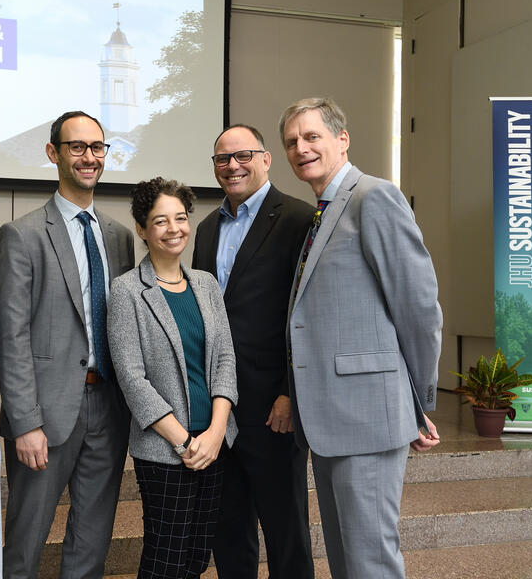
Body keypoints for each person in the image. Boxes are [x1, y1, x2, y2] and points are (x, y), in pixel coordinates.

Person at [279, 97, 442, 579]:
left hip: (369, 414)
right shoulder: (323, 211)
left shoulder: (374, 197)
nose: (301, 148)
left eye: (312, 136)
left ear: (341, 139)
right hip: (332, 420)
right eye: (292, 141)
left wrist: (419, 401)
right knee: (347, 560)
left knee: (371, 561)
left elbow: (418, 307)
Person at [0, 111, 135, 579]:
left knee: (91, 543)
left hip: (108, 409)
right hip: (46, 415)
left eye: (97, 147)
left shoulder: (117, 237)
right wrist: (25, 421)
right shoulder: (22, 234)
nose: (89, 157)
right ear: (53, 153)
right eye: (77, 147)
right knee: (25, 543)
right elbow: (11, 338)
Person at [192, 124, 316, 578]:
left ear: (266, 159)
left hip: (272, 408)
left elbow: (305, 315)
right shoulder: (205, 228)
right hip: (217, 411)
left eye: (242, 155)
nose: (232, 166)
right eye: (222, 159)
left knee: (286, 534)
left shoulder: (299, 219)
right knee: (229, 531)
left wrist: (290, 392)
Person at [108, 177, 238, 579]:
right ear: (143, 230)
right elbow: (132, 378)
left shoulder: (206, 284)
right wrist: (183, 441)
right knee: (167, 558)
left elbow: (225, 361)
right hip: (166, 450)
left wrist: (216, 432)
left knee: (199, 555)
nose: (173, 228)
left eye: (180, 218)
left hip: (213, 443)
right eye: (160, 221)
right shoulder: (127, 290)